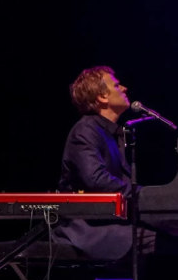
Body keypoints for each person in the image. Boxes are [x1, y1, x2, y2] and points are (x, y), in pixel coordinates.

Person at [55, 65, 138, 260]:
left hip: (109, 222)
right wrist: (141, 193)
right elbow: (96, 179)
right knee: (160, 242)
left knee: (172, 236)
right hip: (88, 228)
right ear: (102, 97)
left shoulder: (110, 132)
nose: (124, 88)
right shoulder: (85, 130)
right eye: (117, 85)